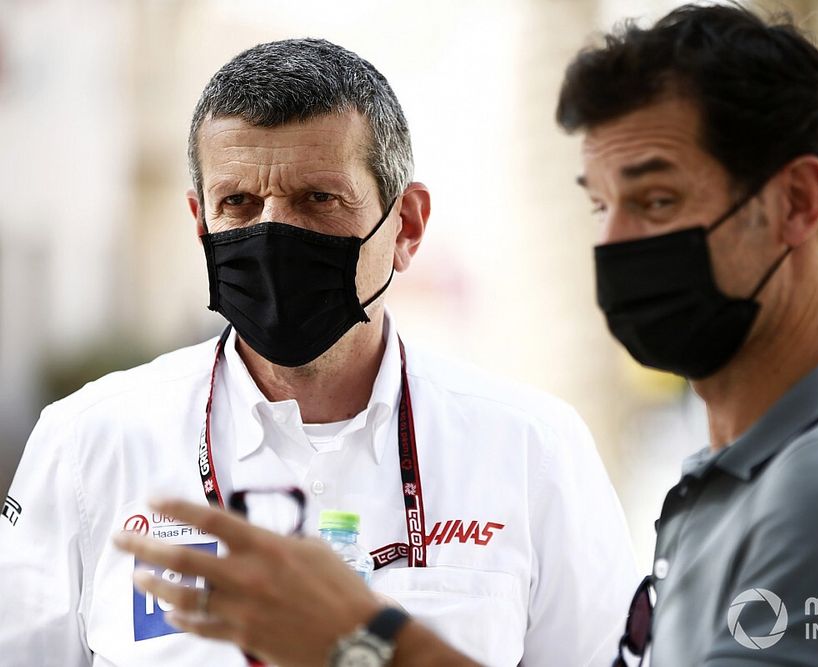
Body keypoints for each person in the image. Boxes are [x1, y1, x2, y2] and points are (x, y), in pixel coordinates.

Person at [118, 4, 818, 666]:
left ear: (798, 204)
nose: (613, 243)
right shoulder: (750, 479)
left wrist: (359, 640)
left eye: (656, 199)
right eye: (600, 204)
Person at [0, 38, 639, 666]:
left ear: (406, 225)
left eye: (319, 200)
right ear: (201, 223)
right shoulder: (86, 442)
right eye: (239, 203)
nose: (274, 233)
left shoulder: (532, 450)